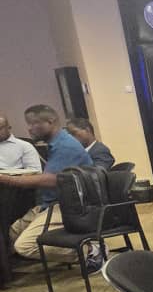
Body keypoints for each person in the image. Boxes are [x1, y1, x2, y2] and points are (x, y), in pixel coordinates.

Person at [1, 104, 99, 267]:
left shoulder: (65, 146)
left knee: (24, 246)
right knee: (10, 235)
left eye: (33, 123)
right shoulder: (56, 143)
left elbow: (51, 180)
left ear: (50, 121)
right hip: (50, 204)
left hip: (69, 206)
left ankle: (91, 251)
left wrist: (6, 179)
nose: (29, 129)